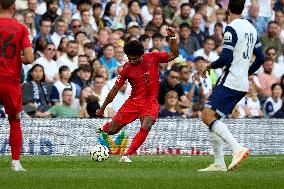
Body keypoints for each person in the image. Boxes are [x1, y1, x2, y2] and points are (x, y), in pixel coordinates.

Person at [199, 0, 265, 172]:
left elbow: (226, 59)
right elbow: (261, 58)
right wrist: (247, 73)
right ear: (243, 8)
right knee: (214, 117)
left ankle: (237, 148)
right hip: (241, 83)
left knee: (206, 115)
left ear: (227, 8)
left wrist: (209, 65)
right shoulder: (251, 28)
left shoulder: (231, 28)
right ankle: (219, 163)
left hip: (230, 80)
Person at [96, 27, 179, 163]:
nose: (132, 61)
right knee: (112, 130)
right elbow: (114, 90)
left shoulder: (153, 57)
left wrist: (173, 37)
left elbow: (174, 54)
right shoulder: (126, 68)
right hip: (133, 102)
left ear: (142, 55)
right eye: (129, 58)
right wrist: (103, 107)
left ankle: (126, 155)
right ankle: (105, 126)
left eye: (134, 59)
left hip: (150, 102)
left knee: (146, 125)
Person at [0, 0, 34, 171]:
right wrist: (14, 59)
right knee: (14, 121)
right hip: (10, 81)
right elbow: (29, 58)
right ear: (13, 7)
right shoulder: (21, 28)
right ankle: (15, 163)